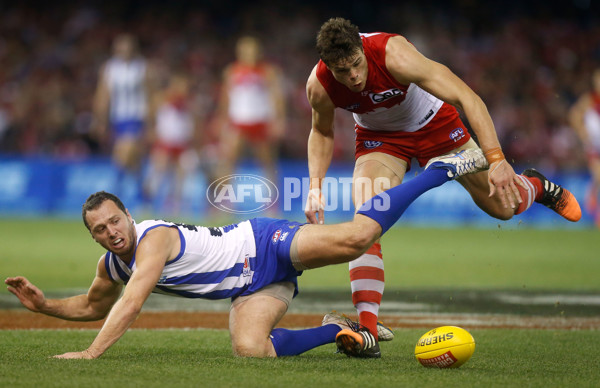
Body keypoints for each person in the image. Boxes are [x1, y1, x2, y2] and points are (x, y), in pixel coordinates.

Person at [5, 150, 489, 360]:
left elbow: (129, 304)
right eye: (99, 230)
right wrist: (44, 305)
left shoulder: (151, 239)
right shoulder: (111, 263)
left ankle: (439, 171)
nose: (110, 232)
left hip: (261, 243)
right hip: (254, 285)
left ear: (128, 215)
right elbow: (93, 306)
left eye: (114, 221)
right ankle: (344, 330)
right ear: (93, 237)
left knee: (355, 239)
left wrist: (92, 355)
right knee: (250, 350)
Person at [304, 17, 582, 352]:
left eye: (356, 65)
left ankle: (536, 186)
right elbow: (321, 131)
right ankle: (367, 332)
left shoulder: (394, 53)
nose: (353, 77)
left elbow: (468, 97)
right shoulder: (319, 84)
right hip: (381, 140)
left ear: (363, 50)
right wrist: (314, 187)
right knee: (366, 219)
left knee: (504, 208)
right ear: (327, 65)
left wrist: (496, 159)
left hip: (435, 124)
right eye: (341, 71)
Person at [213, 35, 286, 186]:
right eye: (245, 51)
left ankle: (272, 197)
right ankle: (226, 197)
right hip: (238, 119)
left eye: (252, 51)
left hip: (260, 119)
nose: (249, 54)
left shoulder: (267, 71)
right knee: (229, 158)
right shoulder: (232, 71)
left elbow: (277, 96)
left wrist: (279, 119)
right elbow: (225, 98)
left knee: (266, 160)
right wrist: (221, 119)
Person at [92, 34, 154, 198]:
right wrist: (100, 120)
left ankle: (113, 197)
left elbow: (150, 95)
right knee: (133, 161)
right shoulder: (110, 68)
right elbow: (103, 95)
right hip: (117, 119)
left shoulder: (141, 67)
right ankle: (144, 196)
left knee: (124, 152)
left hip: (136, 118)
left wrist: (151, 123)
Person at [144, 73, 200, 216]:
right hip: (165, 142)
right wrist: (152, 132)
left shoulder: (189, 104)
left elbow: (192, 124)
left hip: (182, 144)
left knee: (181, 175)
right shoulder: (161, 99)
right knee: (158, 173)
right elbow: (151, 117)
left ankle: (175, 202)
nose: (183, 89)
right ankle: (147, 201)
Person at [568, 68, 600, 227]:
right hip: (595, 146)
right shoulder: (589, 99)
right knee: (599, 175)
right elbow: (574, 114)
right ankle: (596, 209)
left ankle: (592, 193)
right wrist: (582, 132)